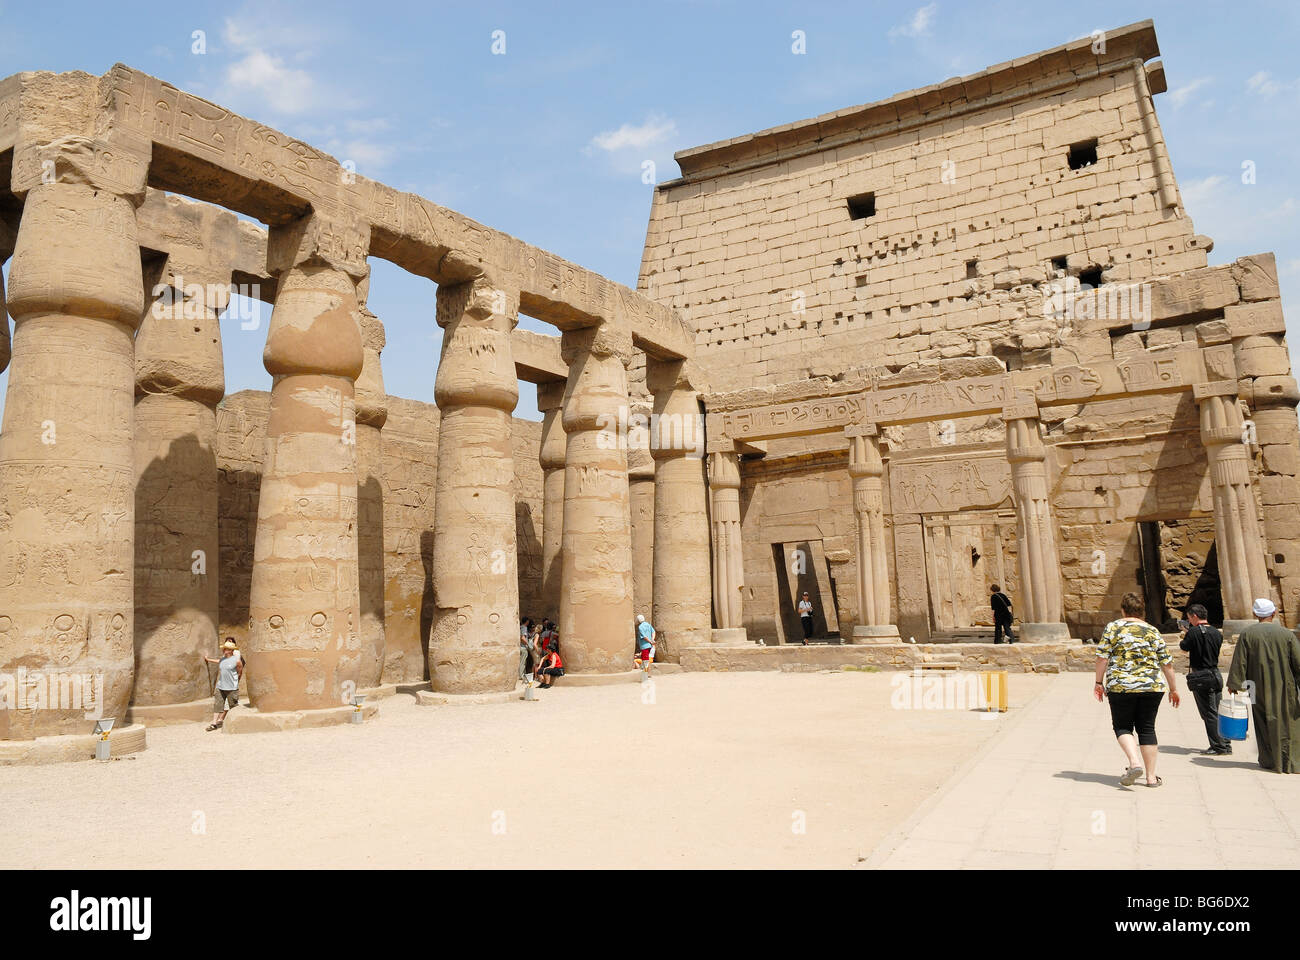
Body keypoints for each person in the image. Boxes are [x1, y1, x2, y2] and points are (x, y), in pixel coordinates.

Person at [1094, 592, 1180, 787]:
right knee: (1147, 728)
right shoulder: (1152, 630)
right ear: (1142, 611)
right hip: (1152, 686)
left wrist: (1098, 682)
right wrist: (1173, 689)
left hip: (1121, 685)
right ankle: (1151, 777)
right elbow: (1167, 664)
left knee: (1122, 726)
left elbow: (1102, 658)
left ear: (1123, 610)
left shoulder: (1113, 628)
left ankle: (1134, 763)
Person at [1227, 598, 1300, 773]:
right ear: (1274, 613)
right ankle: (1290, 762)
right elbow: (1298, 662)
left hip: (1255, 687)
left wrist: (1234, 684)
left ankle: (1269, 760)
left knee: (1262, 722)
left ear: (1255, 614)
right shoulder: (1287, 634)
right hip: (1285, 687)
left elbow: (1240, 661)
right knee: (1289, 723)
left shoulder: (1247, 634)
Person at [1180, 604, 1230, 755]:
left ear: (1194, 616)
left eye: (1189, 618)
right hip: (1215, 673)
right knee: (1218, 710)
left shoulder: (1193, 632)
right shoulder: (1216, 632)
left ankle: (1218, 746)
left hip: (1202, 676)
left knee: (1209, 712)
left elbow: (1184, 648)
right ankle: (1225, 743)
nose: (1189, 620)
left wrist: (1186, 633)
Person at [203, 639, 244, 731]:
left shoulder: (237, 661)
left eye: (226, 648)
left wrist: (236, 682)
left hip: (231, 688)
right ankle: (214, 723)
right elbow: (218, 661)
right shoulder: (222, 659)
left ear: (231, 650)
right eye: (224, 648)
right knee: (217, 705)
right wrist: (208, 659)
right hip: (220, 686)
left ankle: (236, 724)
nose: (224, 650)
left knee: (233, 706)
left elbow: (240, 672)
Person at [519, 617, 534, 682]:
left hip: (520, 647)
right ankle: (521, 676)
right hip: (523, 647)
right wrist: (528, 645)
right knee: (523, 662)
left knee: (522, 662)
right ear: (527, 621)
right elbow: (523, 638)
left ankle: (521, 675)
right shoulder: (524, 628)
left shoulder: (520, 627)